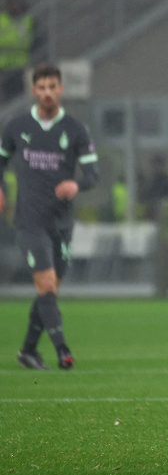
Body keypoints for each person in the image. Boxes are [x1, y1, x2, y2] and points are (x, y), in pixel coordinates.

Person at [0, 63, 100, 370]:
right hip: (29, 221)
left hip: (61, 223)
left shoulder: (75, 129)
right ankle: (63, 350)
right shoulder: (16, 127)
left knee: (50, 290)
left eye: (52, 87)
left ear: (60, 89)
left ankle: (28, 350)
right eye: (41, 87)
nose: (47, 93)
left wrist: (76, 184)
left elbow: (93, 174)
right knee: (45, 285)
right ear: (34, 90)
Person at [0, 0, 33, 101]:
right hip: (4, 64)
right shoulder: (2, 19)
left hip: (20, 65)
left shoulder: (27, 20)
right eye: (12, 4)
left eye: (16, 4)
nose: (14, 7)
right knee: (6, 94)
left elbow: (33, 40)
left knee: (18, 94)